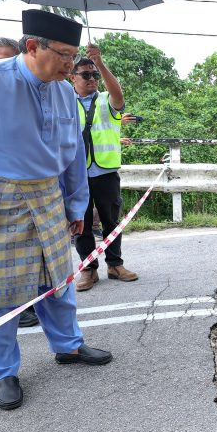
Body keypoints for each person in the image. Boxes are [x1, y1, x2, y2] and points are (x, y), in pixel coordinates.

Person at [0, 10, 112, 411]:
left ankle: (68, 346)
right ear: (33, 46)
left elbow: (72, 154)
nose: (71, 66)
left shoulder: (65, 92)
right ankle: (3, 372)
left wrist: (76, 203)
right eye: (65, 56)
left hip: (49, 196)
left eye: (74, 57)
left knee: (57, 278)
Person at [0, 37, 42, 330]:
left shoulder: (43, 93)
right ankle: (3, 371)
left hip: (40, 197)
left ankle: (68, 344)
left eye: (4, 61)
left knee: (47, 271)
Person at [72, 47, 138, 291]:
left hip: (106, 172)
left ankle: (115, 265)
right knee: (81, 224)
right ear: (73, 77)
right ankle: (88, 269)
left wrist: (100, 63)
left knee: (111, 221)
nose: (92, 79)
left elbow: (118, 96)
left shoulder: (104, 100)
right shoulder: (65, 101)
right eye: (85, 75)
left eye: (94, 75)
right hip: (76, 174)